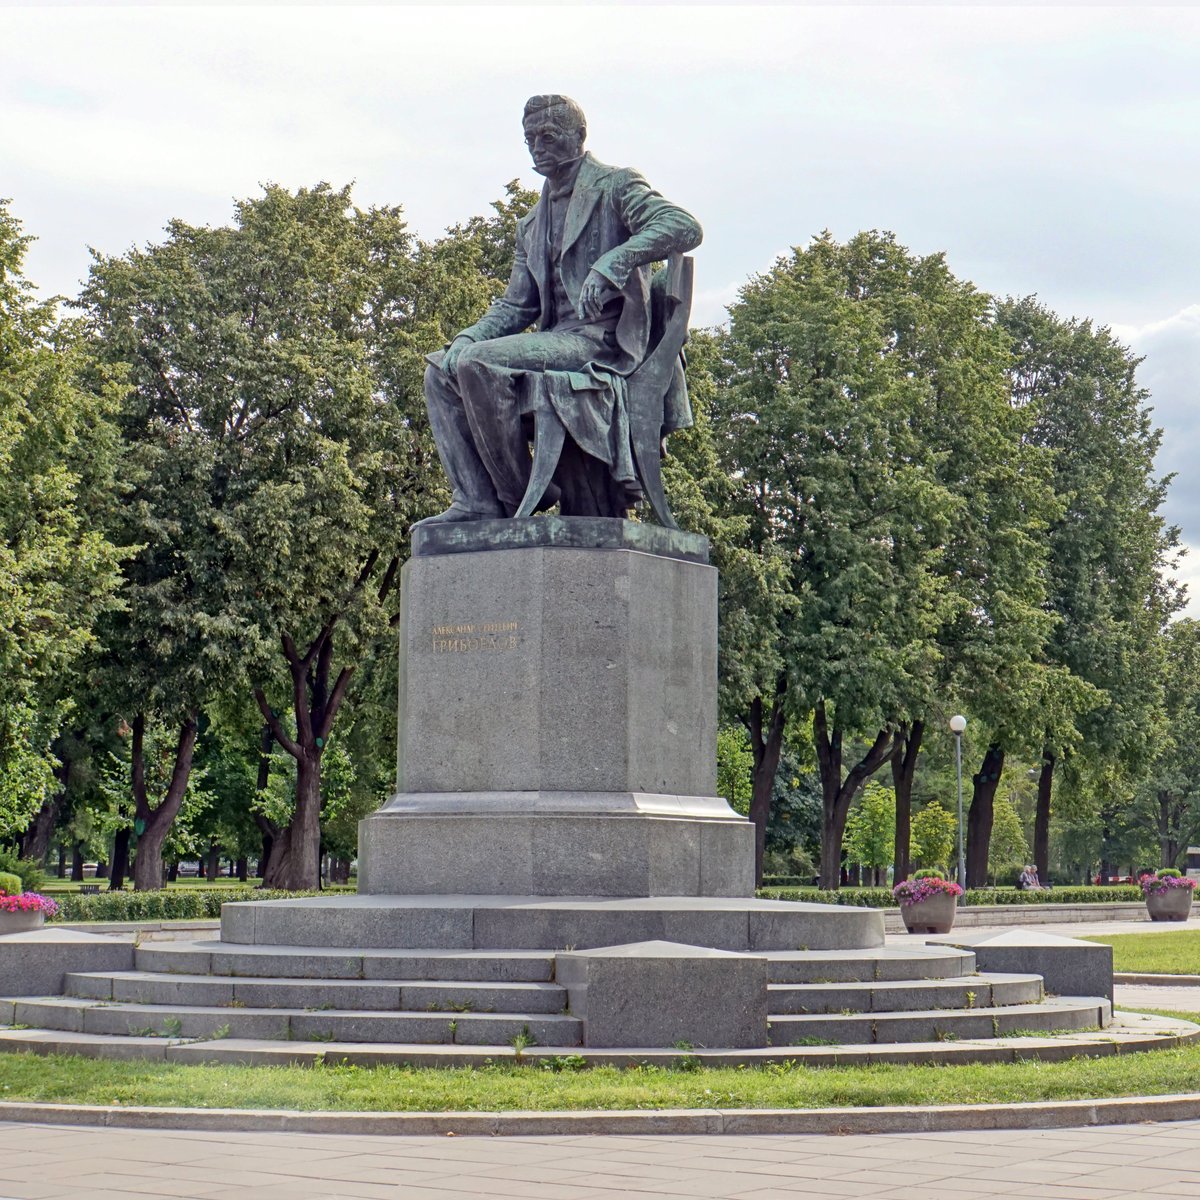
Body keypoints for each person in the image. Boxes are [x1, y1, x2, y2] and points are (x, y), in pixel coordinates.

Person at [419, 94, 703, 524]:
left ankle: (516, 497)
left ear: (579, 136)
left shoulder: (616, 185)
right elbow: (517, 305)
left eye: (547, 135)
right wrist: (468, 336)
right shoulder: (530, 224)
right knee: (442, 369)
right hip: (555, 342)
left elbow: (684, 226)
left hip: (601, 344)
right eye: (529, 137)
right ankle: (479, 499)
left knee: (477, 365)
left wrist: (616, 259)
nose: (537, 145)